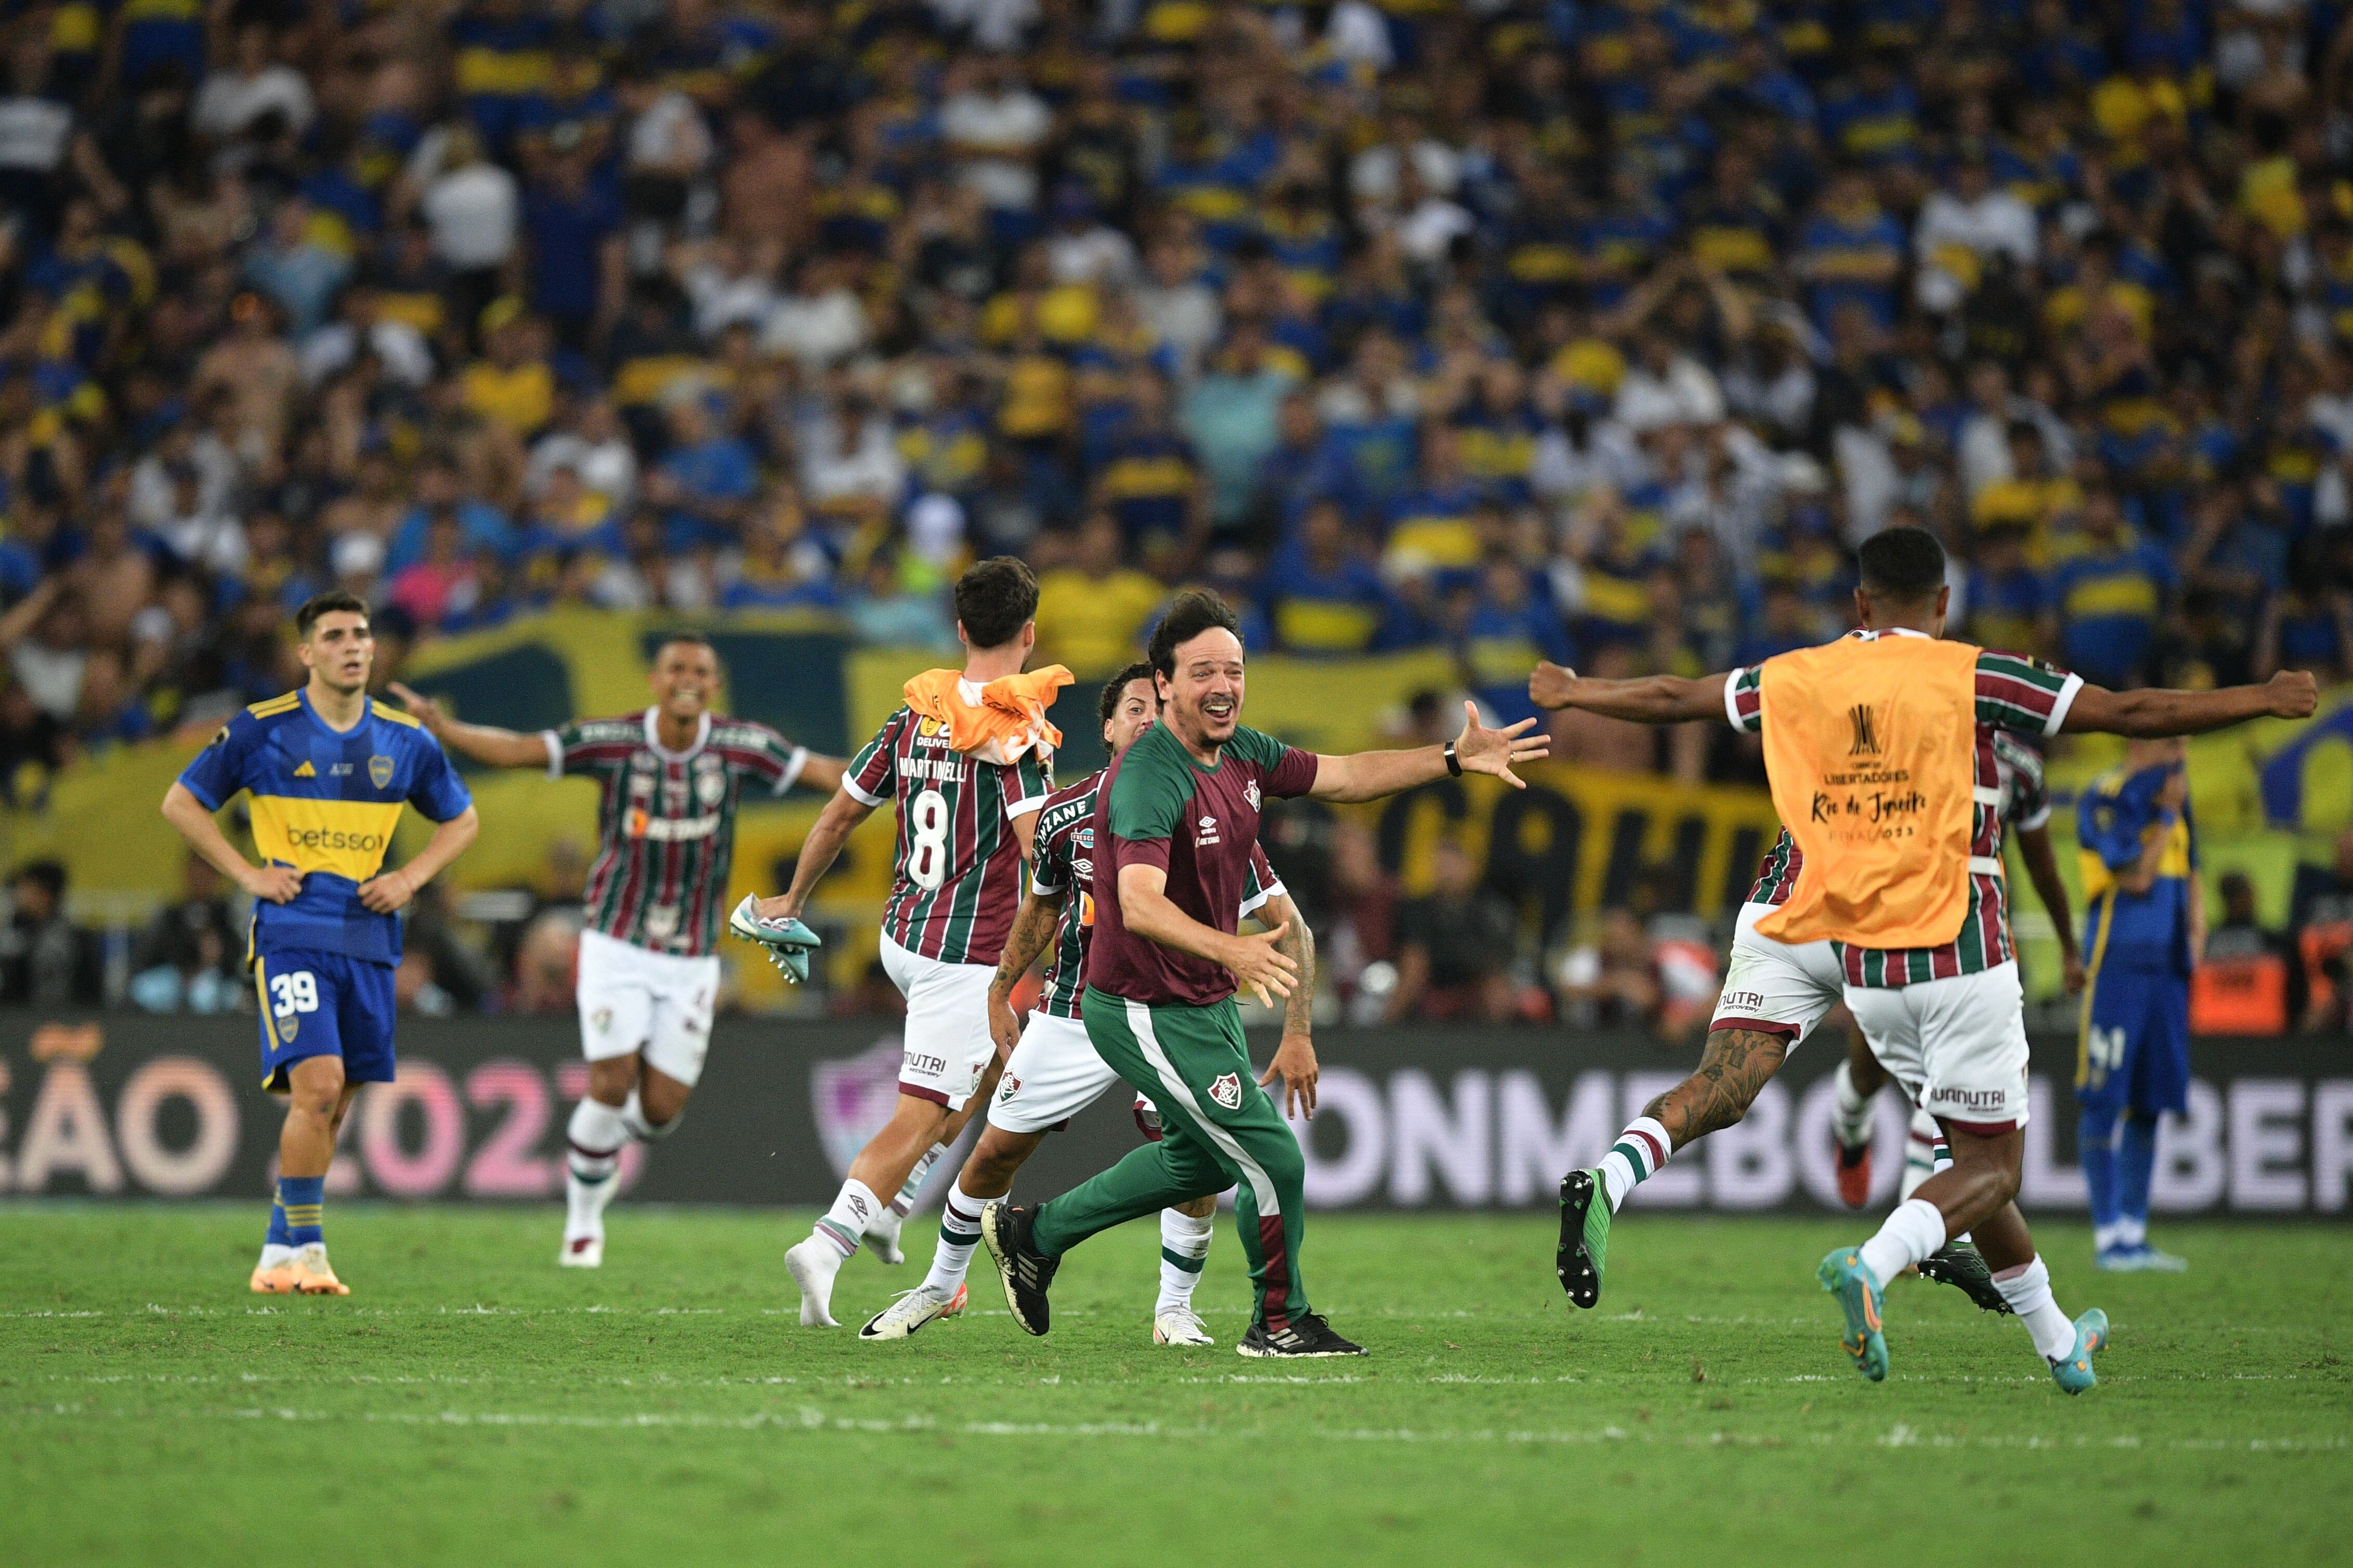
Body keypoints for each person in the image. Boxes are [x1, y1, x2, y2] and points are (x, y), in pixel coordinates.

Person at [1531, 526, 2314, 1392]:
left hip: (1790, 902)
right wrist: (2264, 695)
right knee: (1979, 1157)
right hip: (1899, 927)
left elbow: (1680, 693)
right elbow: (2128, 713)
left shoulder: (1801, 673)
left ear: (1859, 604)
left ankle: (1615, 1173)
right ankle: (1917, 1241)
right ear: (1943, 604)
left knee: (1726, 1083)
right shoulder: (1973, 679)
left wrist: (1576, 691)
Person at [978, 589, 1548, 1359]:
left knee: (1201, 1157)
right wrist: (1235, 950)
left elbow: (1346, 775)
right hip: (1140, 1004)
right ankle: (1277, 1321)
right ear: (1166, 682)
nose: (1223, 685)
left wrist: (1450, 757)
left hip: (1200, 998)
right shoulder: (1150, 776)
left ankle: (1033, 1235)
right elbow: (1138, 905)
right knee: (1272, 1155)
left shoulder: (1242, 752)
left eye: (1235, 669)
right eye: (1203, 671)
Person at [859, 662, 1312, 1345]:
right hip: (1075, 1010)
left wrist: (1298, 1025)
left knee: (1191, 1149)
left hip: (1173, 1014)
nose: (1148, 722)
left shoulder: (1211, 809)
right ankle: (938, 1285)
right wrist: (999, 987)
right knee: (992, 1156)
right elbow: (1040, 910)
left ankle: (1174, 1307)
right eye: (1134, 709)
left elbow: (1289, 922)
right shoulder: (1065, 817)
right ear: (1105, 728)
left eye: (1160, 711)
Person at [389, 634, 845, 1268]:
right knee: (609, 1079)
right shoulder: (615, 741)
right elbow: (523, 751)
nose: (687, 678)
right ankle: (582, 1225)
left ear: (714, 684)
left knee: (659, 1111)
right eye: (676, 668)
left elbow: (829, 773)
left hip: (689, 953)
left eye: (700, 670)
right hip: (613, 939)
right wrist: (445, 727)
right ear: (656, 680)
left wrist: (902, 769)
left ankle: (595, 1151)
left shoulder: (741, 746)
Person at [743, 558, 1066, 1328]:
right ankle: (829, 1242)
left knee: (992, 1062)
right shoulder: (1015, 732)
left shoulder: (912, 714)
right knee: (922, 1110)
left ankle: (898, 1198)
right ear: (1030, 633)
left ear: (959, 629)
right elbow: (1038, 852)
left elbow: (836, 818)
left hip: (901, 932)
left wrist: (790, 900)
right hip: (961, 953)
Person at [161, 591, 479, 1296]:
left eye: (360, 634)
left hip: (370, 935)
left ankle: (279, 1249)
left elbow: (462, 820)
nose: (352, 645)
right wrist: (247, 873)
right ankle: (308, 1249)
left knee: (338, 1104)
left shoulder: (404, 738)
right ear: (306, 652)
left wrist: (411, 877)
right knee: (320, 1086)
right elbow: (181, 802)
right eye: (334, 636)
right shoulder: (261, 729)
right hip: (294, 932)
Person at [1832, 728, 2084, 1213]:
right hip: (1889, 932)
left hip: (1971, 941)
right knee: (1867, 1075)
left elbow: (2041, 865)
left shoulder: (2018, 767)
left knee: (1944, 1081)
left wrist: (2068, 946)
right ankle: (1851, 1131)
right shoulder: (1894, 746)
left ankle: (1912, 1219)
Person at [2074, 737, 2199, 1272]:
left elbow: (2190, 871)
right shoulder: (2105, 798)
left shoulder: (2173, 805)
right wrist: (2166, 817)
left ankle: (2133, 1232)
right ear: (2137, 743)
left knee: (2150, 1101)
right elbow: (2137, 876)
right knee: (2103, 1098)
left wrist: (2196, 928)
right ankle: (2107, 1236)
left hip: (2166, 971)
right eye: (2170, 742)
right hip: (2116, 967)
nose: (2180, 755)